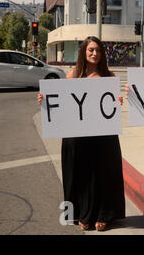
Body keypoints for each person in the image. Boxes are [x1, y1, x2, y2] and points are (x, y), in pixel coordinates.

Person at [38, 36, 125, 231]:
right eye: (91, 50)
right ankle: (83, 214)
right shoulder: (72, 75)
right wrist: (45, 100)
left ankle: (104, 214)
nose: (95, 53)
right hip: (78, 135)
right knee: (83, 174)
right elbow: (63, 104)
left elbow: (111, 106)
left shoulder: (108, 77)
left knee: (102, 173)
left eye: (98, 50)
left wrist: (117, 103)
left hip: (103, 135)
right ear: (84, 52)